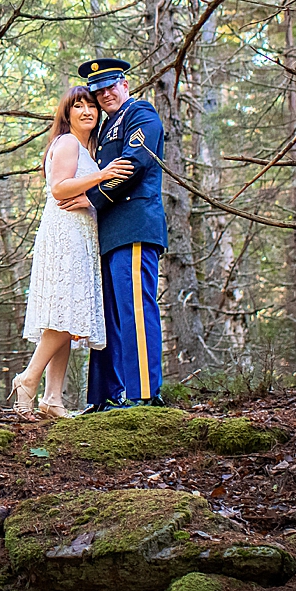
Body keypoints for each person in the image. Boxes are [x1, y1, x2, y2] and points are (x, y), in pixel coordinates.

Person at [10, 85, 134, 418]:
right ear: (67, 114)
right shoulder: (67, 142)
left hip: (81, 234)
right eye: (78, 106)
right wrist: (104, 175)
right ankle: (28, 379)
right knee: (65, 314)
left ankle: (52, 399)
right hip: (65, 233)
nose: (87, 111)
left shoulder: (86, 149)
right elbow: (59, 188)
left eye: (91, 106)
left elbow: (82, 192)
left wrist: (95, 189)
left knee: (68, 314)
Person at [79, 56, 169, 410]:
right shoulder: (103, 129)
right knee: (108, 318)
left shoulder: (140, 113)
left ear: (125, 85)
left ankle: (143, 392)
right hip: (108, 233)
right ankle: (105, 396)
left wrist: (91, 199)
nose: (105, 95)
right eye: (98, 91)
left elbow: (133, 163)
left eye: (110, 87)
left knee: (135, 310)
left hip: (133, 224)